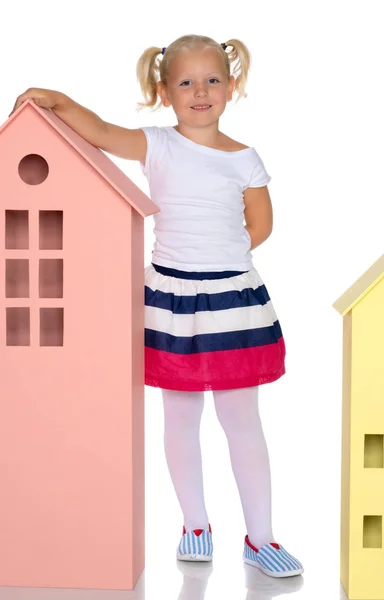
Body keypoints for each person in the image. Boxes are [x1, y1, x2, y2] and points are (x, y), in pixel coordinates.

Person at [11, 34, 303, 579]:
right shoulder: (157, 145)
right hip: (171, 298)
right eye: (186, 82)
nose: (200, 91)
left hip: (231, 300)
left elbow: (259, 227)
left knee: (243, 420)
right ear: (164, 91)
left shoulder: (244, 158)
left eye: (212, 80)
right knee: (179, 417)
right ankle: (195, 524)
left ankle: (260, 537)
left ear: (231, 87)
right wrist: (56, 99)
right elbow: (98, 131)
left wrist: (217, 261)